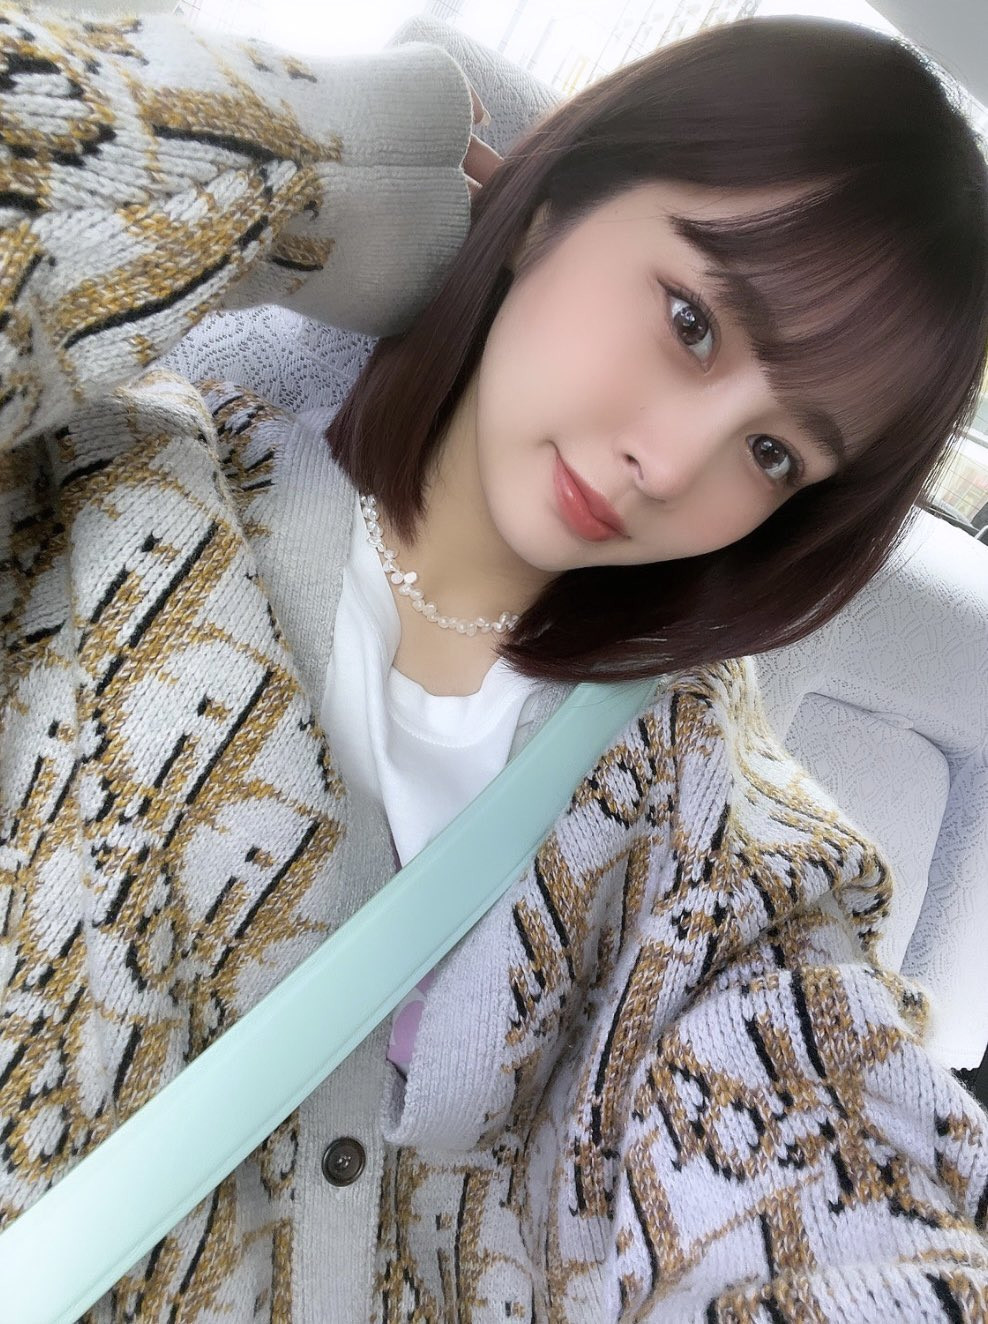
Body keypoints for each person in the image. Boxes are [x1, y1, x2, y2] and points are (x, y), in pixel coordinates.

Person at [1, 4, 987, 1322]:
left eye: (773, 454)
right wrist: (339, 178)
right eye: (691, 321)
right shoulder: (112, 479)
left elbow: (834, 1184)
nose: (671, 462)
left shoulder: (706, 825)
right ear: (556, 200)